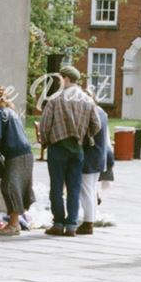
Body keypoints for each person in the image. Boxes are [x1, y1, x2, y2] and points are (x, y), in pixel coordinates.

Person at [38, 66, 101, 237]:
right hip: (78, 148)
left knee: (57, 187)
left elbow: (45, 125)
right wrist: (86, 136)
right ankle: (72, 225)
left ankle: (58, 223)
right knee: (74, 187)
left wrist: (45, 141)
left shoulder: (55, 98)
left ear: (65, 79)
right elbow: (97, 124)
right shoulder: (87, 100)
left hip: (58, 146)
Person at [0, 89, 35, 236]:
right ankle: (15, 221)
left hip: (15, 153)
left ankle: (14, 224)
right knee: (16, 186)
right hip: (26, 152)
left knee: (10, 186)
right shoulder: (11, 112)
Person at [78, 87, 114, 235]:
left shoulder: (90, 112)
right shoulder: (102, 112)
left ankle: (88, 223)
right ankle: (89, 219)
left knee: (86, 190)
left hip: (90, 156)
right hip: (99, 155)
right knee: (91, 190)